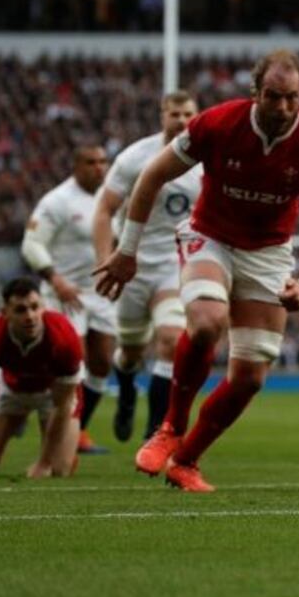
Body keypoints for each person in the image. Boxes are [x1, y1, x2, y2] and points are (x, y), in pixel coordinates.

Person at [94, 49, 299, 492]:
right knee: (208, 322)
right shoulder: (217, 124)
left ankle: (186, 461)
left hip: (268, 252)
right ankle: (170, 425)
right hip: (208, 234)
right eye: (273, 97)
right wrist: (127, 250)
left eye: (292, 98)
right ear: (256, 93)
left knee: (250, 378)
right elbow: (151, 176)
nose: (283, 108)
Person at [92, 91, 201, 442]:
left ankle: (155, 433)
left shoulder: (208, 159)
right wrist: (104, 258)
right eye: (175, 114)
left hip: (176, 263)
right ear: (162, 116)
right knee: (130, 351)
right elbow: (104, 210)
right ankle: (125, 389)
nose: (182, 121)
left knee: (170, 340)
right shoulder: (135, 158)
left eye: (188, 114)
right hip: (132, 263)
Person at [22, 144, 116, 454]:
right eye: (91, 162)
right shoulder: (56, 201)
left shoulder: (113, 198)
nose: (99, 168)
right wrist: (55, 279)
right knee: (72, 363)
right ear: (76, 166)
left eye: (103, 162)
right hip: (65, 293)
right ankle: (58, 430)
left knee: (103, 361)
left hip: (100, 291)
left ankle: (80, 428)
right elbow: (32, 245)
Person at [0, 278, 82, 481]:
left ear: (43, 306)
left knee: (59, 470)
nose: (30, 316)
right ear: (5, 312)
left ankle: (62, 455)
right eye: (20, 310)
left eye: (34, 307)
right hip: (10, 389)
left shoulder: (65, 338)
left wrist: (44, 463)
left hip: (52, 394)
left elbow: (63, 405)